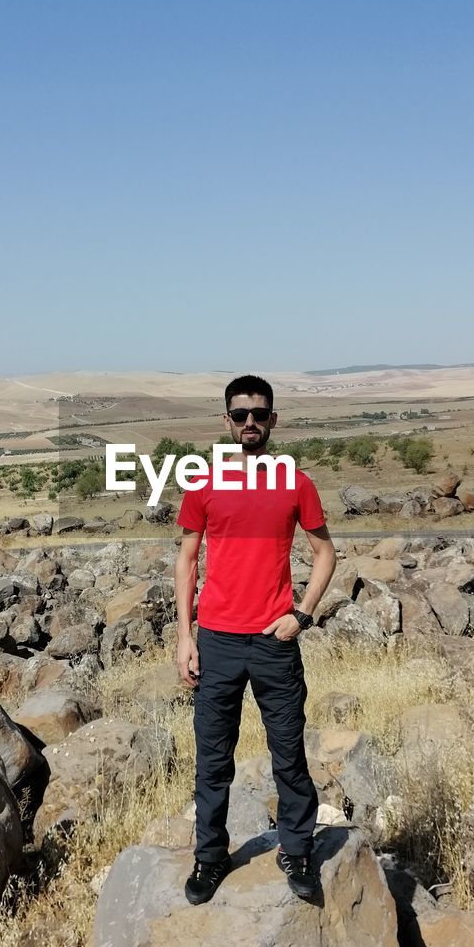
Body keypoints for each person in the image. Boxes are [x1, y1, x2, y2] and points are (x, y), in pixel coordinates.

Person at [174, 374, 337, 904]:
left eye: (259, 414)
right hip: (217, 639)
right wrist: (185, 637)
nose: (250, 422)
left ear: (273, 420)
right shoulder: (203, 484)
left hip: (273, 641)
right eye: (240, 414)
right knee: (212, 759)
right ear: (226, 420)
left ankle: (296, 848)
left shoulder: (296, 483)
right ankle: (210, 857)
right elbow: (187, 561)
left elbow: (325, 554)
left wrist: (303, 615)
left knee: (288, 754)